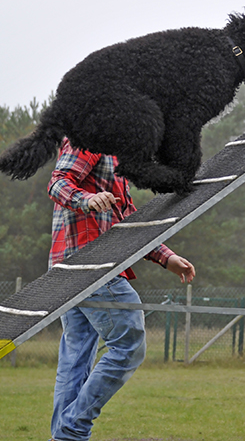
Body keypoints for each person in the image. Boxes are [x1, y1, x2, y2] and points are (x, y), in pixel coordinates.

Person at [47, 138, 195, 441]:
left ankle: (64, 438)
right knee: (129, 347)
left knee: (75, 359)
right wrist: (85, 199)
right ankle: (71, 429)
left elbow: (127, 220)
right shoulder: (89, 137)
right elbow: (58, 182)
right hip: (93, 265)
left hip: (67, 269)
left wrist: (166, 258)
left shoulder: (119, 153)